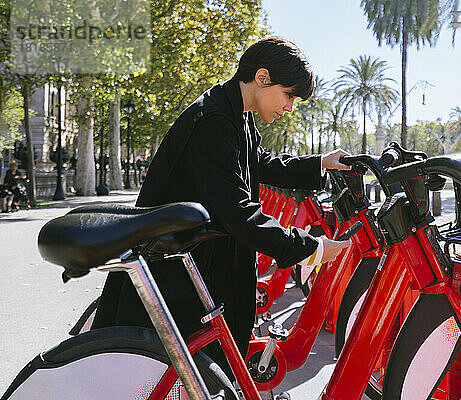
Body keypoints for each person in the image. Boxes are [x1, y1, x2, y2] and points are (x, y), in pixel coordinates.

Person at [90, 36, 352, 377]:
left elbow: (259, 163)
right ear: (262, 78)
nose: (289, 107)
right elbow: (237, 212)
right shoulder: (213, 120)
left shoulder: (233, 113)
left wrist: (320, 163)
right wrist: (309, 248)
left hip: (195, 261)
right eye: (288, 95)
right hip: (178, 271)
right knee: (178, 372)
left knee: (193, 369)